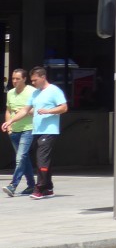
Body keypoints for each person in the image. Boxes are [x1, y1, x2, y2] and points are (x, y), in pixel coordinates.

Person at [6, 67, 69, 199]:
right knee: (43, 160)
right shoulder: (35, 94)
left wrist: (48, 111)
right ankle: (48, 188)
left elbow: (64, 107)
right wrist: (10, 121)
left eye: (35, 80)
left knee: (42, 160)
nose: (33, 83)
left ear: (43, 77)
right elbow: (25, 110)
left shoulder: (54, 90)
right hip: (37, 131)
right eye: (32, 80)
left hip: (49, 131)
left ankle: (39, 188)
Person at [2, 68, 36, 196]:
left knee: (20, 157)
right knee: (24, 159)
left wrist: (24, 111)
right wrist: (9, 127)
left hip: (28, 128)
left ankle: (13, 185)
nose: (14, 81)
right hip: (14, 130)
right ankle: (32, 185)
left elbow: (37, 110)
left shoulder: (32, 92)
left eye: (18, 79)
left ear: (24, 79)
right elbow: (8, 110)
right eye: (13, 78)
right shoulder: (10, 92)